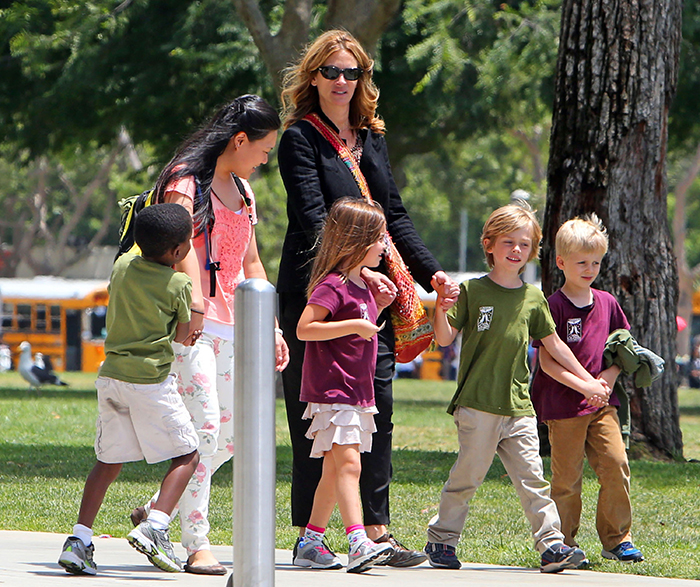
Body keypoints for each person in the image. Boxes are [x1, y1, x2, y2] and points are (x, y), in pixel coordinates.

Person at [277, 29, 458, 567]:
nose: (340, 81)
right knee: (319, 419)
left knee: (371, 412)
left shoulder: (372, 137)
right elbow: (313, 218)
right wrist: (353, 273)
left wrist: (432, 275)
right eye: (330, 71)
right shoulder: (299, 138)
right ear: (314, 77)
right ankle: (314, 537)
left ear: (362, 79)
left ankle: (375, 530)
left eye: (350, 72)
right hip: (321, 293)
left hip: (374, 299)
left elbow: (393, 216)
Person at [131, 95, 289, 575]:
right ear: (240, 140)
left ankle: (156, 510)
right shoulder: (185, 181)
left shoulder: (243, 191)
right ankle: (193, 541)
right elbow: (179, 252)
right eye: (263, 150)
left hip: (238, 325)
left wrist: (272, 325)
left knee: (233, 437)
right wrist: (195, 309)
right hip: (194, 326)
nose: (265, 161)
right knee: (205, 431)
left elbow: (251, 260)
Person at [425, 202, 607, 573]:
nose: (516, 251)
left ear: (533, 251)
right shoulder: (471, 291)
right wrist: (440, 309)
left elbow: (555, 346)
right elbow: (444, 340)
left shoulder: (533, 298)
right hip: (477, 405)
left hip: (519, 407)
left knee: (532, 479)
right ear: (489, 245)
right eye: (508, 242)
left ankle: (552, 546)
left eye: (524, 244)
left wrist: (588, 381)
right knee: (467, 476)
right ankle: (442, 540)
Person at [58, 204, 200, 576]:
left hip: (111, 377)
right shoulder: (178, 283)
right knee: (188, 455)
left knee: (108, 461)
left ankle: (79, 540)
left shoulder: (121, 267)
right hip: (150, 381)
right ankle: (155, 527)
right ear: (177, 252)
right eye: (187, 243)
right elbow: (184, 335)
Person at [530, 215, 644, 563]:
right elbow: (547, 363)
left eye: (596, 262)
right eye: (582, 262)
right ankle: (562, 541)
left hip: (602, 404)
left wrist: (607, 380)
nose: (590, 268)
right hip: (564, 407)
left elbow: (622, 350)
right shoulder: (553, 306)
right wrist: (584, 385)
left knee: (616, 464)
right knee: (566, 479)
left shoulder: (608, 303)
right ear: (561, 262)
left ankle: (617, 539)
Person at [294, 198, 396, 573]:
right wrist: (354, 325)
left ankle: (311, 540)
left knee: (334, 470)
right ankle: (358, 540)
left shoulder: (363, 286)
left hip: (355, 393)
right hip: (333, 391)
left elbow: (359, 329)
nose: (384, 246)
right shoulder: (333, 285)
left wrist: (379, 309)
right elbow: (306, 328)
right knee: (350, 465)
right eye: (379, 239)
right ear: (356, 241)